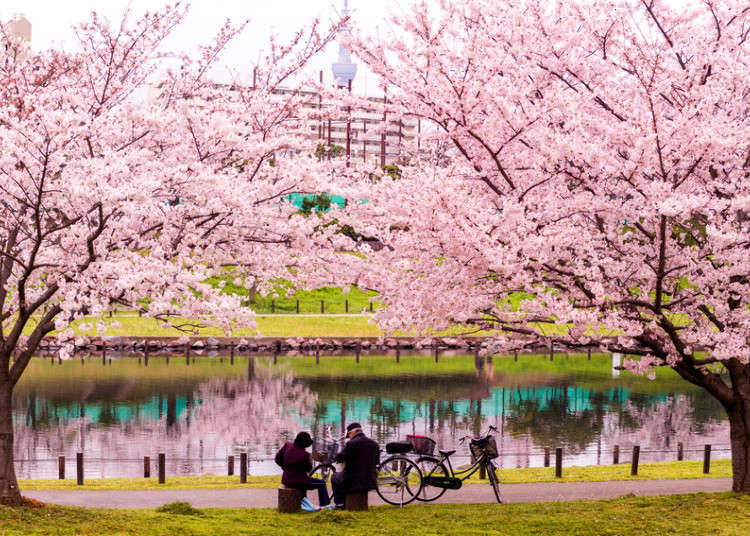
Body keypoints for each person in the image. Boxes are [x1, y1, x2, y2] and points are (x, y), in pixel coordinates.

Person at [275, 431, 330, 507]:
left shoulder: (287, 445)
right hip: (299, 482)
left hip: (286, 480)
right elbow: (308, 469)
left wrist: (285, 468)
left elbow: (277, 459)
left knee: (306, 481)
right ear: (305, 444)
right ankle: (325, 506)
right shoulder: (304, 455)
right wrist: (310, 460)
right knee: (322, 483)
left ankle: (304, 503)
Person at [331, 422, 379, 507]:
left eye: (349, 435)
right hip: (370, 480)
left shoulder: (351, 444)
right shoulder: (374, 444)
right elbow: (376, 462)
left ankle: (340, 503)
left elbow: (340, 458)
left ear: (351, 433)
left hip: (354, 481)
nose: (349, 438)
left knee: (335, 477)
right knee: (342, 475)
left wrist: (336, 455)